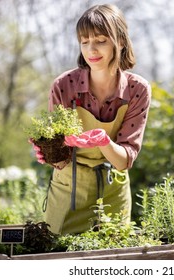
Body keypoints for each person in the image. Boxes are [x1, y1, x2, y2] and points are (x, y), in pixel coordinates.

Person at [30, 4, 151, 235]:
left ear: (121, 42)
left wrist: (103, 141)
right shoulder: (64, 86)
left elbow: (123, 160)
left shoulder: (137, 90)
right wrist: (48, 150)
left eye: (101, 40)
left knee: (113, 258)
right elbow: (59, 155)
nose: (91, 49)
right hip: (70, 188)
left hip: (112, 190)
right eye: (84, 42)